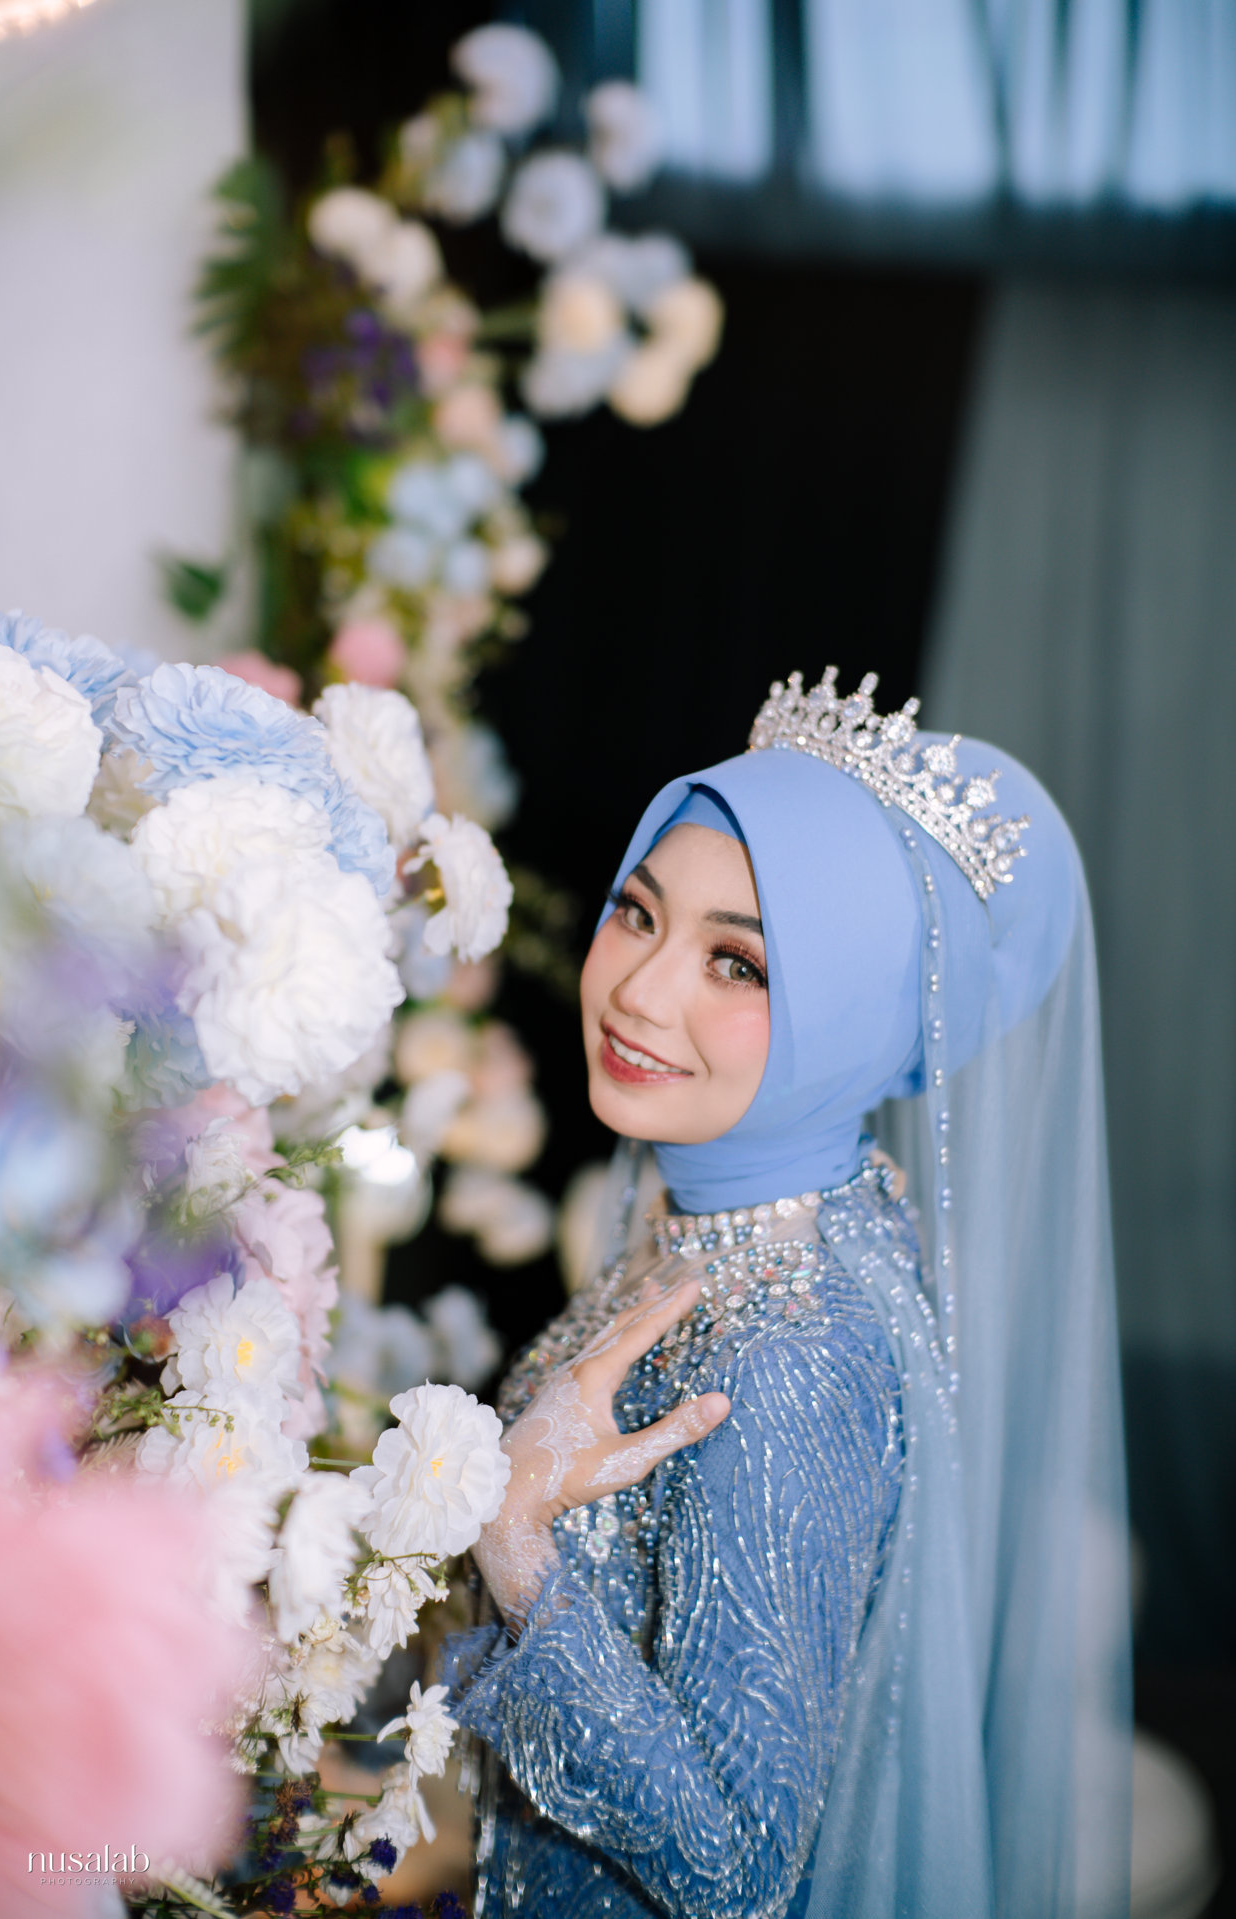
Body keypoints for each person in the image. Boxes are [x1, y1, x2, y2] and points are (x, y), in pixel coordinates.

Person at [444, 670, 1132, 1919]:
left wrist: (516, 1545)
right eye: (636, 912)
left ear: (855, 1011)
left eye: (737, 963)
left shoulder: (783, 1352)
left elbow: (732, 1864)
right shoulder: (742, 1215)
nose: (639, 990)